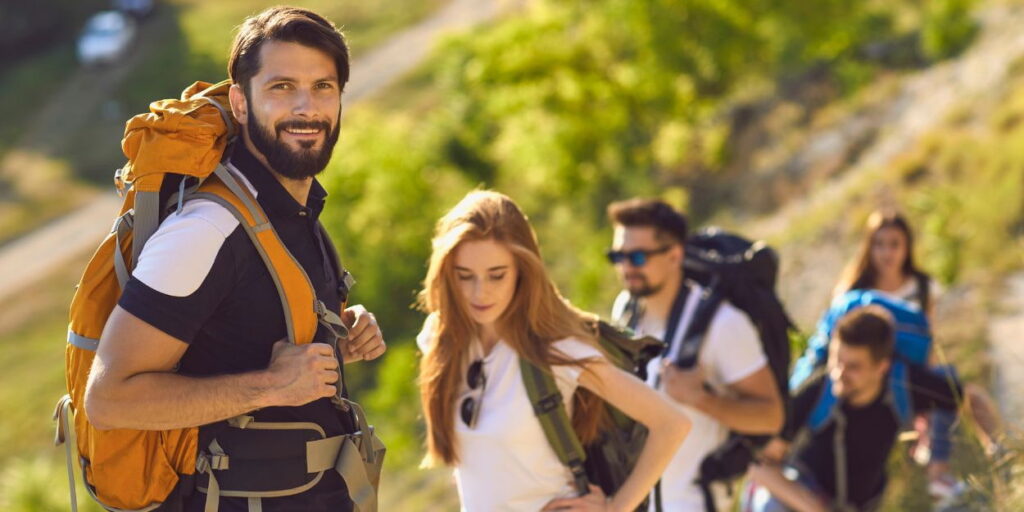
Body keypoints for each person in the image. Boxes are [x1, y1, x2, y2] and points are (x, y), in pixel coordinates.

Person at [83, 7, 385, 511]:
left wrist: (332, 340)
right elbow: (109, 399)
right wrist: (267, 387)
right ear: (241, 103)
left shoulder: (292, 206)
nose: (307, 108)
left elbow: (243, 335)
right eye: (282, 87)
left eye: (323, 87)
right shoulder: (206, 231)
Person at [416, 190, 690, 511]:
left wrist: (617, 508)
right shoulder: (440, 337)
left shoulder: (557, 350)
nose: (480, 292)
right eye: (465, 276)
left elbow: (672, 424)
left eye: (497, 275)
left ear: (522, 269)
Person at [606, 198, 784, 511]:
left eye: (637, 256)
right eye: (618, 256)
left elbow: (771, 416)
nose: (626, 267)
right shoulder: (624, 311)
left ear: (674, 255)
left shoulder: (723, 324)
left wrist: (702, 399)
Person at [746, 307, 1002, 512]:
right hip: (802, 496)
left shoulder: (905, 383)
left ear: (882, 367)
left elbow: (968, 396)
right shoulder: (816, 391)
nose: (839, 373)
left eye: (854, 366)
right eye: (836, 359)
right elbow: (758, 466)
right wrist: (814, 508)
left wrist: (1000, 453)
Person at [832, 208, 957, 498]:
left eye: (894, 244)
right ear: (868, 247)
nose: (887, 252)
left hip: (908, 371)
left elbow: (928, 341)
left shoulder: (923, 287)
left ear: (907, 247)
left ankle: (967, 464)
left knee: (954, 387)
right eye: (879, 244)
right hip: (866, 374)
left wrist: (926, 394)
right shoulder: (853, 290)